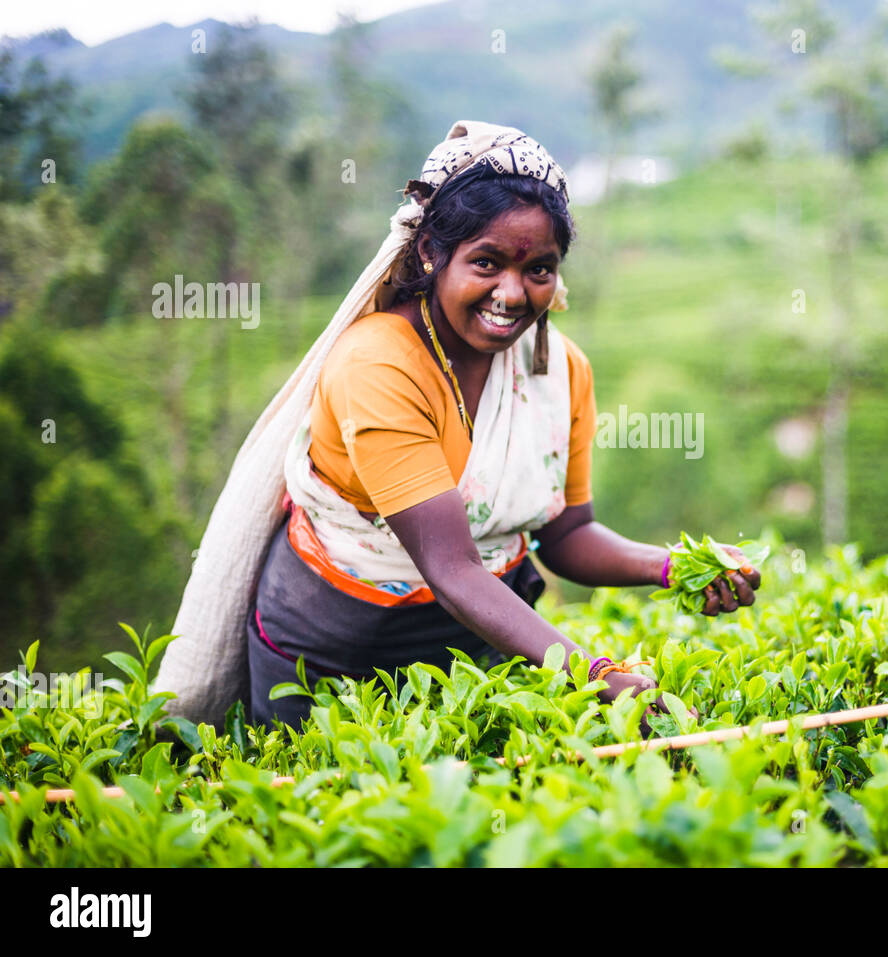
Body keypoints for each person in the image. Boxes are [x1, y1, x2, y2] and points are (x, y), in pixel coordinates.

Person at [156, 121, 759, 732]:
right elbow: (451, 567)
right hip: (331, 648)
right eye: (486, 262)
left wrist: (678, 566)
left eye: (539, 270)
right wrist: (595, 673)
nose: (512, 293)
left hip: (475, 642)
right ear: (429, 253)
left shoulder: (559, 371)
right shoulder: (380, 365)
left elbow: (567, 534)